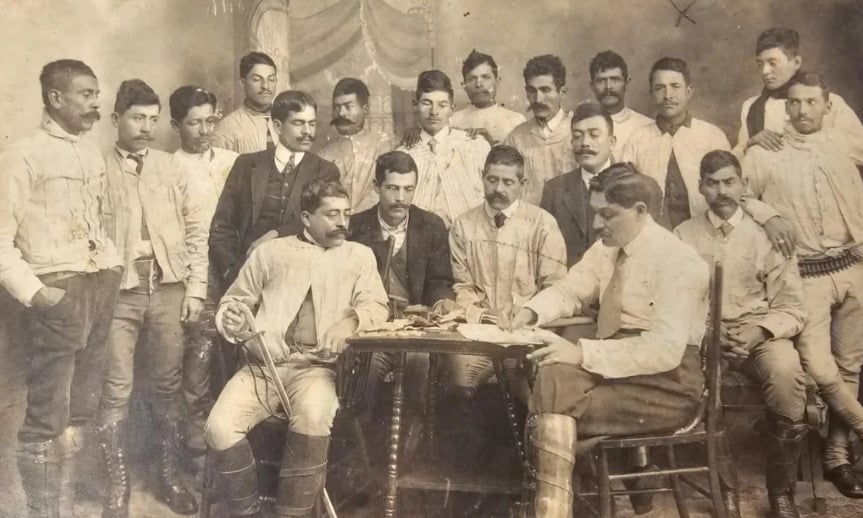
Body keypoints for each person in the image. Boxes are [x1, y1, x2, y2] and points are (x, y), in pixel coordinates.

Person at [508, 163, 709, 518]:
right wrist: (530, 312)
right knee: (552, 376)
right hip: (618, 369)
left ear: (641, 211)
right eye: (595, 213)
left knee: (550, 403)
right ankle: (584, 499)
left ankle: (559, 506)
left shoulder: (680, 262)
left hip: (667, 384)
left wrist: (581, 352)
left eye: (608, 215)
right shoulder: (608, 248)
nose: (598, 224)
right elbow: (572, 288)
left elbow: (664, 351)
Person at [205, 179, 389, 518]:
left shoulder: (358, 256)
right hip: (262, 368)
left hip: (317, 371)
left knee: (314, 415)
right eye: (331, 215)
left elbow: (377, 306)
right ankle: (248, 514)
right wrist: (238, 325)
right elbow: (233, 302)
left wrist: (349, 323)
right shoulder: (271, 253)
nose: (342, 223)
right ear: (306, 218)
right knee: (218, 427)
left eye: (346, 214)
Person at [0, 59, 123, 518]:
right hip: (57, 293)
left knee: (81, 409)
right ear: (55, 98)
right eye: (86, 94)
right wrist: (38, 294)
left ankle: (66, 508)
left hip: (99, 287)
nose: (96, 103)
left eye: (96, 94)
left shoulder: (91, 153)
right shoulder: (22, 154)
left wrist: (110, 272)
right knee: (48, 414)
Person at [742, 71, 863, 500]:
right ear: (785, 107)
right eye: (795, 103)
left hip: (851, 265)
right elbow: (735, 192)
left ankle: (837, 457)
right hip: (804, 272)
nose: (803, 110)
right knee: (820, 367)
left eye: (812, 102)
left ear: (827, 105)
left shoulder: (846, 142)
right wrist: (768, 215)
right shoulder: (765, 151)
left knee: (850, 367)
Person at [97, 79, 208, 517]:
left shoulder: (171, 167)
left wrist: (195, 289)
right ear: (115, 120)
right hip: (117, 294)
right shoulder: (96, 166)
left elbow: (197, 230)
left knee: (167, 387)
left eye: (152, 119)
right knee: (115, 388)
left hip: (168, 288)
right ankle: (117, 490)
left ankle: (168, 477)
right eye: (136, 118)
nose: (145, 127)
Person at [676, 150, 807, 518]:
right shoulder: (683, 236)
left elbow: (792, 307)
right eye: (713, 183)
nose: (722, 191)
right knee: (705, 390)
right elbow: (674, 301)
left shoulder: (767, 237)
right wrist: (705, 335)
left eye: (729, 182)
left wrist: (757, 332)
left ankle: (781, 493)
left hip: (760, 334)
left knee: (786, 375)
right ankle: (726, 491)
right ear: (701, 188)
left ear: (743, 184)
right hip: (704, 337)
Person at [620, 57, 793, 252]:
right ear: (651, 94)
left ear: (689, 92)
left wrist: (768, 217)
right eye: (660, 88)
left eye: (675, 86)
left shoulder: (711, 136)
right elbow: (624, 199)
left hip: (704, 239)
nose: (668, 95)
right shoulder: (637, 140)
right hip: (653, 243)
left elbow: (734, 188)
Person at [348, 150, 455, 454]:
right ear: (376, 187)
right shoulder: (356, 228)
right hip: (372, 331)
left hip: (414, 329)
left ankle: (411, 453)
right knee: (363, 380)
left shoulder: (430, 226)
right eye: (393, 188)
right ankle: (363, 458)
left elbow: (439, 282)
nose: (401, 198)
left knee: (419, 366)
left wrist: (441, 304)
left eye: (408, 189)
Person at [448, 145, 567, 402]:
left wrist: (528, 314)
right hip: (479, 336)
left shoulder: (542, 224)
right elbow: (462, 286)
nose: (499, 189)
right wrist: (484, 315)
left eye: (508, 182)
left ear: (522, 183)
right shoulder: (463, 225)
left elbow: (555, 287)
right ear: (482, 177)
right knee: (457, 386)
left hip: (528, 334)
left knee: (533, 396)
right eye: (492, 180)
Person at [169, 85, 239, 466]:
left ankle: (235, 444)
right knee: (199, 356)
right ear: (175, 124)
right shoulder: (169, 166)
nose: (204, 130)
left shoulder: (233, 160)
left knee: (237, 354)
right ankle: (196, 447)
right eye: (193, 123)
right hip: (195, 272)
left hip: (234, 266)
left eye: (209, 120)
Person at [209, 90, 340, 289]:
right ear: (277, 126)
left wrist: (276, 234)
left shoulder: (326, 171)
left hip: (303, 280)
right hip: (247, 277)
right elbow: (221, 226)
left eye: (311, 124)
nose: (308, 132)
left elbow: (326, 227)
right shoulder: (246, 165)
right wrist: (231, 271)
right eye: (298, 123)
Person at [734, 28, 863, 164]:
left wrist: (814, 139)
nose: (765, 71)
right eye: (760, 64)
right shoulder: (751, 106)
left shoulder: (827, 101)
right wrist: (751, 143)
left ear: (796, 62)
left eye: (772, 63)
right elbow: (735, 162)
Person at [396, 70, 489, 227]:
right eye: (426, 103)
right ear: (415, 105)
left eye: (442, 104)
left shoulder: (475, 146)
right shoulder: (403, 153)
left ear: (452, 108)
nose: (434, 112)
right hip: (421, 242)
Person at [541, 102, 614, 266]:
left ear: (612, 142)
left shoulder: (638, 186)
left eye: (594, 135)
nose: (585, 143)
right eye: (578, 135)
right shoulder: (554, 190)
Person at [503, 54, 575, 204]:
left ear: (562, 91)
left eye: (546, 90)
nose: (538, 99)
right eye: (532, 91)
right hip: (528, 221)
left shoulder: (577, 131)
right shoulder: (515, 137)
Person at [318, 77, 394, 213]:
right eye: (336, 107)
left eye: (349, 106)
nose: (341, 113)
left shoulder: (385, 146)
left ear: (365, 109)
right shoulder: (324, 155)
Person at [451, 49, 526, 145]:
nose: (478, 84)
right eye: (472, 79)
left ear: (497, 81)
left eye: (486, 77)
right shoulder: (453, 120)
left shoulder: (516, 120)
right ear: (464, 85)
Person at [587, 50, 652, 159]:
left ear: (627, 83)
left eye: (615, 79)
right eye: (601, 81)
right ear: (592, 86)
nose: (608, 87)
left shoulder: (646, 126)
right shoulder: (580, 126)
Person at [212, 51, 279, 154]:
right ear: (242, 83)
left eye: (271, 79)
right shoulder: (227, 129)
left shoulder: (288, 121)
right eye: (257, 79)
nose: (266, 86)